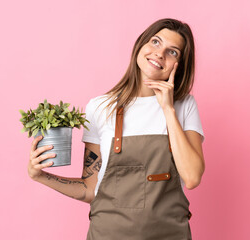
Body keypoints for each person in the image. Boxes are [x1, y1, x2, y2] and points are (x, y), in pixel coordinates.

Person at [28, 18, 205, 240]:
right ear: (140, 45)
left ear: (181, 65)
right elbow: (90, 189)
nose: (160, 54)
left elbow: (192, 178)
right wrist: (40, 176)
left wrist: (168, 109)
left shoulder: (184, 105)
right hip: (108, 234)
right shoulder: (100, 107)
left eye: (173, 52)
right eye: (156, 42)